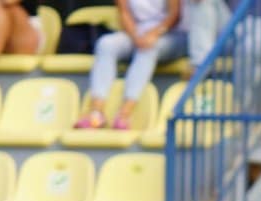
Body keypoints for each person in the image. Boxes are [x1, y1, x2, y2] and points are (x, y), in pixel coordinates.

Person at [74, 0, 185, 132]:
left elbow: (174, 15)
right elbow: (124, 13)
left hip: (170, 35)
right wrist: (136, 36)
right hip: (137, 33)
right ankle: (96, 113)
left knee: (148, 50)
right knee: (105, 44)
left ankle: (124, 115)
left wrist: (153, 34)